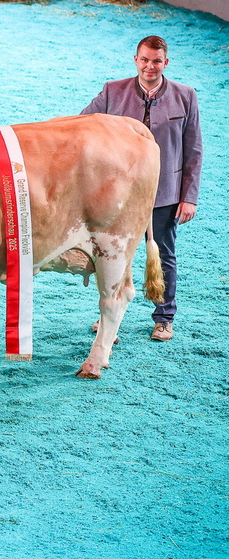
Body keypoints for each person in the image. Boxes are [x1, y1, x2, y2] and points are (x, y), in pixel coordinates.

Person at [81, 35, 203, 341]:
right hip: (117, 193)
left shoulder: (186, 96)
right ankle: (109, 317)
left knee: (163, 253)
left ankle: (164, 318)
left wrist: (189, 197)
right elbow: (82, 125)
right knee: (113, 254)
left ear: (166, 62)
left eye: (157, 61)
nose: (150, 66)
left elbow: (194, 150)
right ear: (136, 60)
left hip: (164, 193)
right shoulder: (112, 91)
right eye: (145, 60)